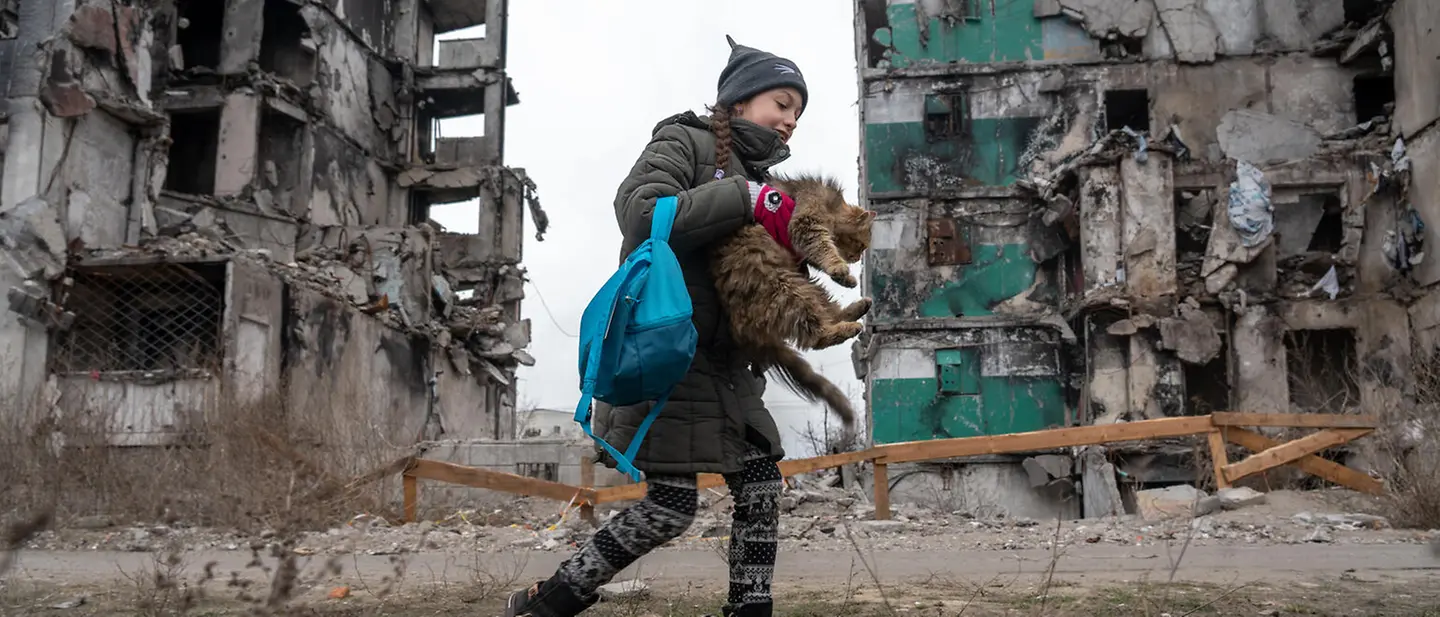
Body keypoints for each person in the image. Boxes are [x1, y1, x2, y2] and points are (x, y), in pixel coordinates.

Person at [503, 35, 810, 617]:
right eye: (781, 102)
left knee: (762, 488)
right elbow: (642, 213)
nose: (790, 120)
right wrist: (743, 196)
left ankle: (750, 608)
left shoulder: (763, 180)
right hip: (670, 356)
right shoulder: (686, 141)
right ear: (739, 102)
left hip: (727, 367)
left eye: (797, 110)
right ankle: (550, 600)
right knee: (671, 505)